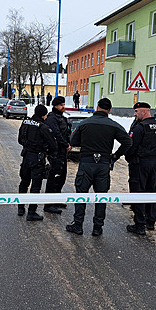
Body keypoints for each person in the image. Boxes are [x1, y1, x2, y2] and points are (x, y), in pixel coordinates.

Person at [66, 98, 132, 236]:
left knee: (81, 196)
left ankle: (78, 225)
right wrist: (115, 156)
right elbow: (127, 142)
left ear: (97, 107)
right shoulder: (113, 125)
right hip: (103, 164)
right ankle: (97, 227)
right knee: (101, 197)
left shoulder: (85, 123)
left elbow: (73, 141)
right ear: (109, 110)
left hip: (86, 163)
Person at [125, 102, 156, 236]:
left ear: (144, 111)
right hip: (154, 163)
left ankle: (139, 224)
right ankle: (150, 221)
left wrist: (129, 157)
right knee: (150, 191)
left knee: (138, 192)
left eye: (136, 111)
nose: (135, 114)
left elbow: (131, 146)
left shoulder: (140, 127)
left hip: (140, 163)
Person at [17, 104, 57, 221]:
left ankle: (20, 208)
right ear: (44, 115)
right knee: (35, 186)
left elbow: (20, 140)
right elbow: (53, 145)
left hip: (26, 156)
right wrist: (46, 151)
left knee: (24, 182)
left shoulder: (25, 123)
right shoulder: (43, 127)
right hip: (37, 159)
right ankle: (31, 212)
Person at [44, 96, 71, 214]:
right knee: (54, 177)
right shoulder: (51, 118)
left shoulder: (62, 118)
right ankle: (48, 204)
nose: (63, 107)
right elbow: (56, 133)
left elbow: (65, 133)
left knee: (61, 176)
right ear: (55, 106)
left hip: (62, 152)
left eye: (64, 104)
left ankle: (56, 199)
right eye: (61, 105)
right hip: (55, 152)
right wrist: (65, 144)